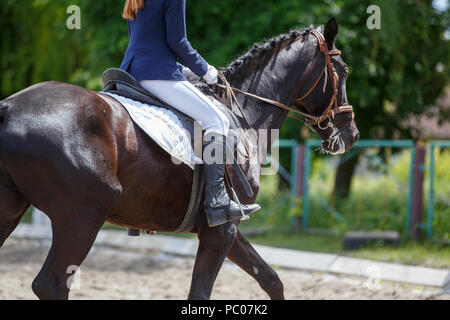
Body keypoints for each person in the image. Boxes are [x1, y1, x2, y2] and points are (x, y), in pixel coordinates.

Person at [120, 0, 260, 227]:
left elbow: (146, 40)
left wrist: (180, 69)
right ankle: (217, 200)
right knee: (218, 121)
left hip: (131, 72)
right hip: (156, 74)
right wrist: (207, 71)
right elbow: (178, 41)